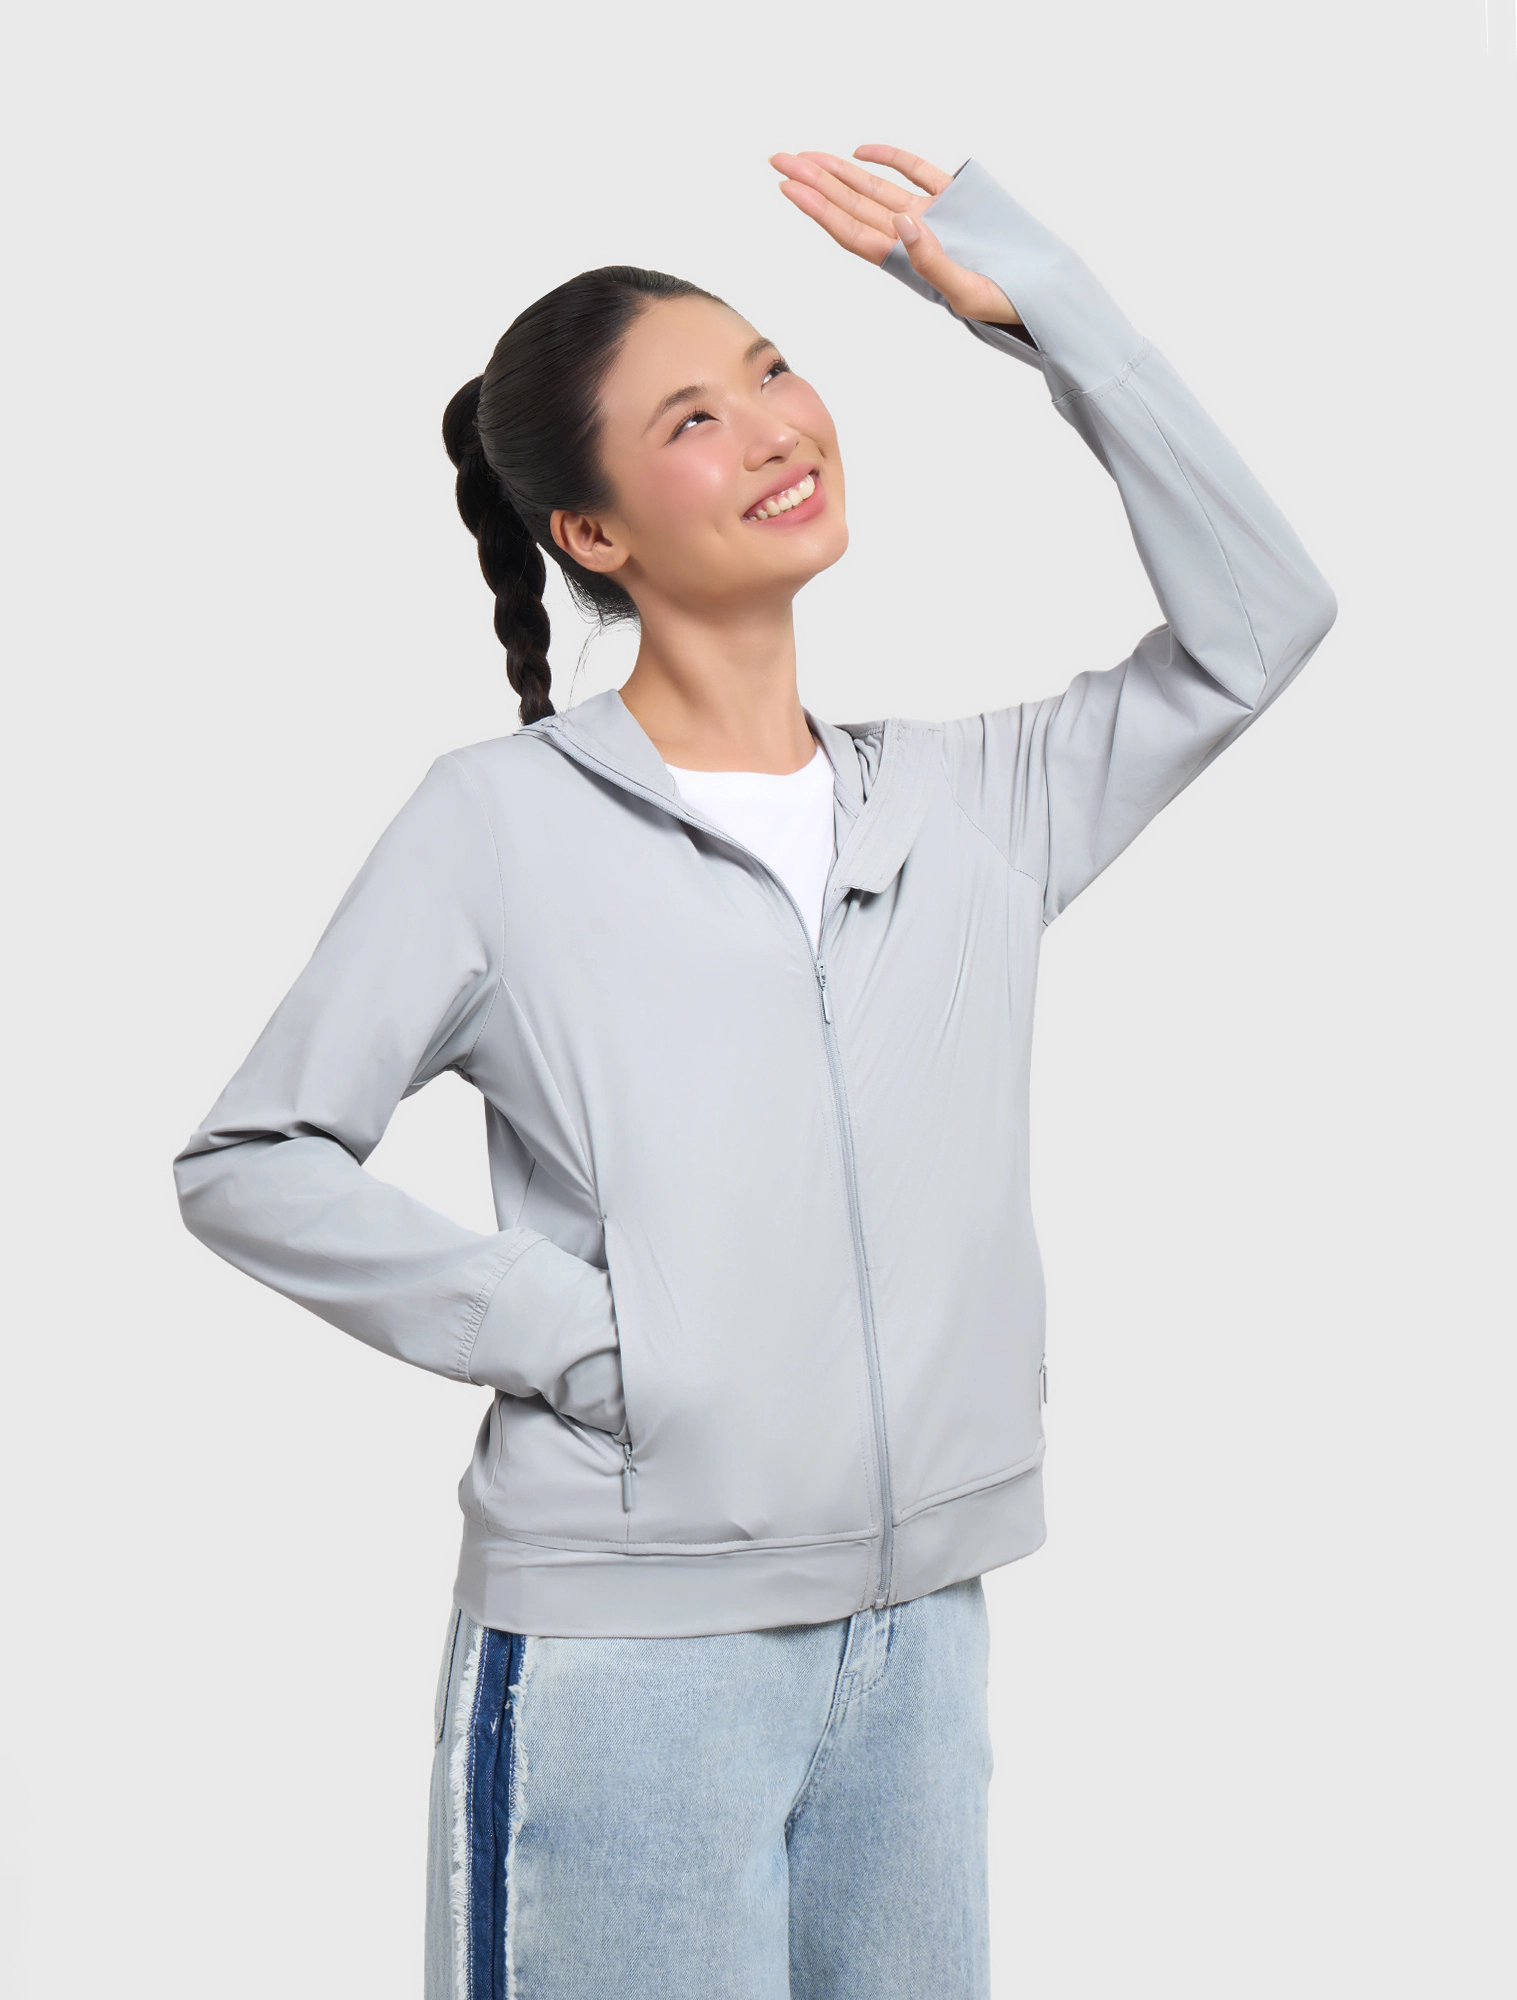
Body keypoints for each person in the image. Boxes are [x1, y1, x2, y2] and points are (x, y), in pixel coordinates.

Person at [173, 142, 1337, 1998]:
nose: (777, 426)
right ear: (594, 535)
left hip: (918, 1625)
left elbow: (1262, 623)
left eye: (774, 368)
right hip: (629, 1650)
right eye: (694, 419)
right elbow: (253, 1155)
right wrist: (592, 1343)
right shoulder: (497, 827)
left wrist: (1043, 313)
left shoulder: (971, 805)